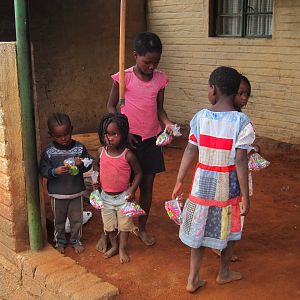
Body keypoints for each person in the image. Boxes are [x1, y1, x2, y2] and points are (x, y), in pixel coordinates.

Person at [172, 66, 255, 293]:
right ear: (233, 91)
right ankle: (224, 272)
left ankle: (192, 278)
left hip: (201, 185)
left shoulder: (200, 118)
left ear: (214, 90)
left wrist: (179, 179)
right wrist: (245, 197)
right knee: (229, 228)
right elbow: (240, 161)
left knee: (197, 230)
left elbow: (190, 150)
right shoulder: (242, 123)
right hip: (228, 186)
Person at [103, 31, 174, 247]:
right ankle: (113, 230)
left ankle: (142, 228)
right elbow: (110, 107)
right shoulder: (124, 78)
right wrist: (124, 133)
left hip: (151, 140)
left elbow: (159, 109)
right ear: (135, 55)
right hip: (127, 142)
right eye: (147, 62)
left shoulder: (160, 80)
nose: (152, 67)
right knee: (119, 185)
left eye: (156, 62)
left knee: (147, 185)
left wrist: (167, 124)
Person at [40, 112, 92, 254]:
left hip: (76, 192)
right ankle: (60, 242)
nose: (63, 138)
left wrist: (81, 163)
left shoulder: (79, 148)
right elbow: (43, 169)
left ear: (72, 129)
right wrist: (54, 172)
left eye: (66, 133)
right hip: (57, 194)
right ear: (51, 134)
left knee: (77, 220)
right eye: (58, 136)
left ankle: (76, 240)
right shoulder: (49, 151)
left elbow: (89, 164)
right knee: (59, 220)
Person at [95, 112, 142, 263]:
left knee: (124, 225)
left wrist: (132, 189)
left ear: (124, 134)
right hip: (105, 197)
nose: (109, 138)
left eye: (114, 134)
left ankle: (122, 248)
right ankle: (114, 246)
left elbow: (139, 173)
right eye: (106, 134)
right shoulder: (101, 152)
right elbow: (96, 165)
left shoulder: (128, 155)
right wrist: (96, 178)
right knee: (108, 225)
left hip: (123, 197)